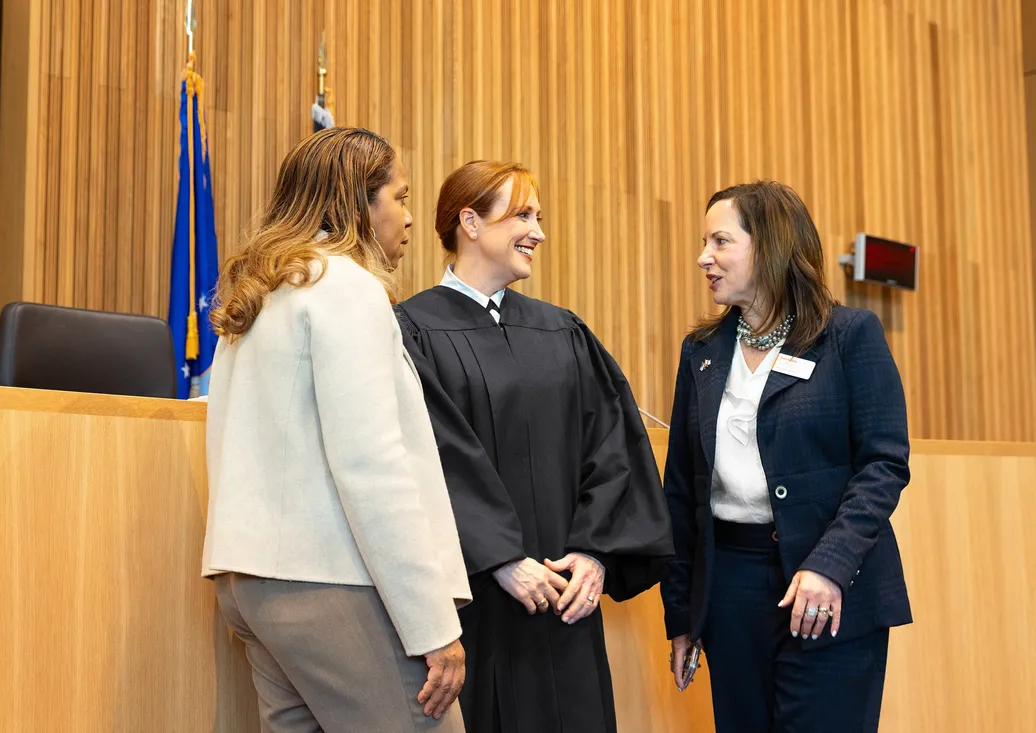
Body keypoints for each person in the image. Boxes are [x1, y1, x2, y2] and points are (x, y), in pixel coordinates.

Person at [202, 127, 471, 732]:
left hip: (251, 581)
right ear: (359, 202)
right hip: (330, 582)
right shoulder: (345, 287)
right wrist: (432, 624)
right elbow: (371, 467)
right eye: (399, 197)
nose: (407, 217)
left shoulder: (263, 287)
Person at [394, 160, 674, 733]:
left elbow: (614, 448)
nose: (539, 232)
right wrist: (499, 558)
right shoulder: (411, 329)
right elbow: (428, 460)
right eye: (522, 214)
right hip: (472, 603)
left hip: (565, 597)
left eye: (539, 217)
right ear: (469, 222)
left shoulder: (563, 331)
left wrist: (595, 554)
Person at [660, 180, 912, 732]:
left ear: (769, 247)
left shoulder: (849, 335)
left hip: (830, 586)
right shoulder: (700, 353)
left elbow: (884, 464)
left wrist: (830, 565)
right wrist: (681, 614)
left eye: (721, 242)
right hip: (731, 591)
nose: (704, 257)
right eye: (705, 242)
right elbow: (680, 488)